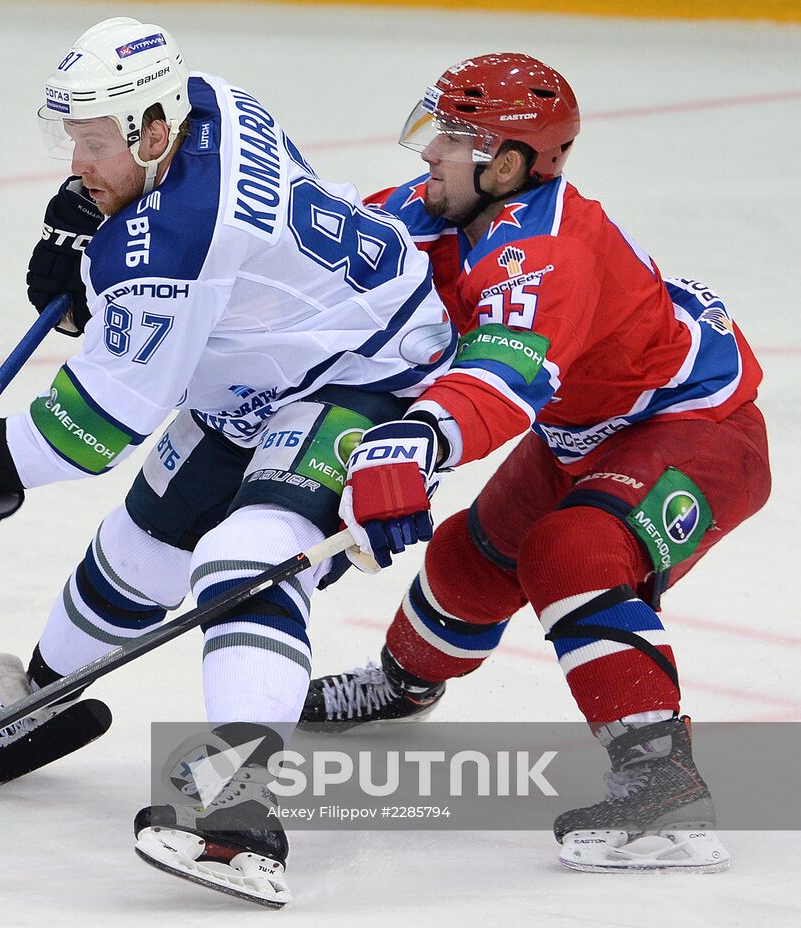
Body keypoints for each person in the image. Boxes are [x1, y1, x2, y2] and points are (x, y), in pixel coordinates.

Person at [0, 17, 458, 908]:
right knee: (140, 547)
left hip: (370, 373)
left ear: (150, 128)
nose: (76, 162)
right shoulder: (205, 98)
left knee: (246, 561)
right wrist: (87, 245)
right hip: (263, 365)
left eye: (93, 143)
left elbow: (95, 427)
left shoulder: (174, 246)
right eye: (70, 139)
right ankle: (39, 705)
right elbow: (178, 264)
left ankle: (242, 817)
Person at [298, 53, 769, 873]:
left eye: (451, 137)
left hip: (698, 427)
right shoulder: (447, 206)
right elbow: (323, 238)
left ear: (508, 163)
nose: (427, 154)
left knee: (570, 554)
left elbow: (500, 379)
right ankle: (406, 683)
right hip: (585, 428)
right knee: (468, 563)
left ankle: (664, 785)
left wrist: (417, 438)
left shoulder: (545, 252)